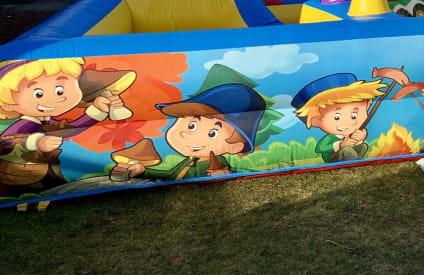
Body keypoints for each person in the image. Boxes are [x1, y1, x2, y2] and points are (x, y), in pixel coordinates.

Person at [0, 58, 128, 195]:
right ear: (8, 104)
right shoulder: (26, 123)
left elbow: (70, 129)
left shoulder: (46, 121)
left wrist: (97, 110)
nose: (59, 98)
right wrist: (36, 142)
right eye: (39, 94)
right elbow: (6, 140)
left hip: (42, 169)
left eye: (60, 90)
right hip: (17, 173)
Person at [122, 66, 266, 181]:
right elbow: (171, 174)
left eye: (212, 133)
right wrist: (144, 171)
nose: (185, 133)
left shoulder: (214, 160)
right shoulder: (191, 160)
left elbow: (220, 170)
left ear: (235, 146)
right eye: (192, 125)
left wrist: (221, 173)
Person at [292, 73, 386, 163]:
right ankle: (351, 160)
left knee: (363, 146)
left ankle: (357, 159)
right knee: (346, 149)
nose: (347, 122)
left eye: (354, 115)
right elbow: (320, 148)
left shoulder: (353, 132)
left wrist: (361, 138)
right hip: (333, 157)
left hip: (349, 150)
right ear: (315, 120)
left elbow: (357, 142)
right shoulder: (330, 138)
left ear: (367, 107)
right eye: (337, 117)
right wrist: (340, 145)